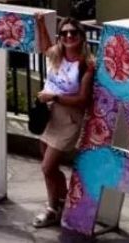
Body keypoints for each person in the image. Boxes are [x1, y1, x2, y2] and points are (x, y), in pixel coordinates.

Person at [31, 15, 94, 228]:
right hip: (49, 114)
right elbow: (43, 46)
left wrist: (55, 97)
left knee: (47, 167)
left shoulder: (85, 65)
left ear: (81, 37)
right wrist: (40, 24)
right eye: (64, 33)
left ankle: (52, 209)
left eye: (73, 32)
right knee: (49, 163)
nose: (68, 36)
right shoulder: (57, 55)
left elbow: (83, 101)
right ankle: (63, 197)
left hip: (68, 118)